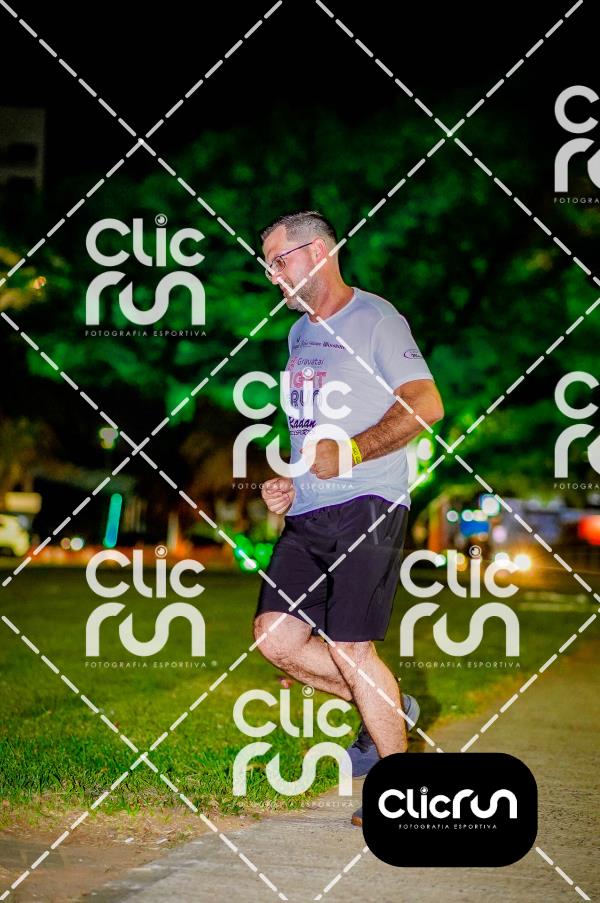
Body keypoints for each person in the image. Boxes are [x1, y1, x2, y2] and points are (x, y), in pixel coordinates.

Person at [253, 211, 444, 825]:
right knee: (275, 638)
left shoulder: (376, 319)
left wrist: (354, 452)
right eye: (267, 264)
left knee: (351, 646)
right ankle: (391, 709)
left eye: (279, 260)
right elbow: (312, 433)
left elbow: (426, 404)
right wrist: (291, 480)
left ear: (319, 253)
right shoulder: (297, 335)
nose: (272, 273)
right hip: (309, 510)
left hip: (370, 501)